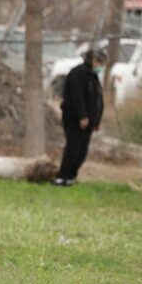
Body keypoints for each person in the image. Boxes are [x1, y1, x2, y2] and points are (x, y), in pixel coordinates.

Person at [52, 49, 107, 186]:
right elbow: (77, 97)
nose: (101, 66)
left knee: (82, 150)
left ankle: (71, 176)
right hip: (74, 119)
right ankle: (62, 176)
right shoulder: (78, 73)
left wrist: (97, 120)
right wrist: (82, 116)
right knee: (73, 148)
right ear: (93, 61)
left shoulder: (93, 76)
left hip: (89, 121)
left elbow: (97, 99)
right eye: (100, 63)